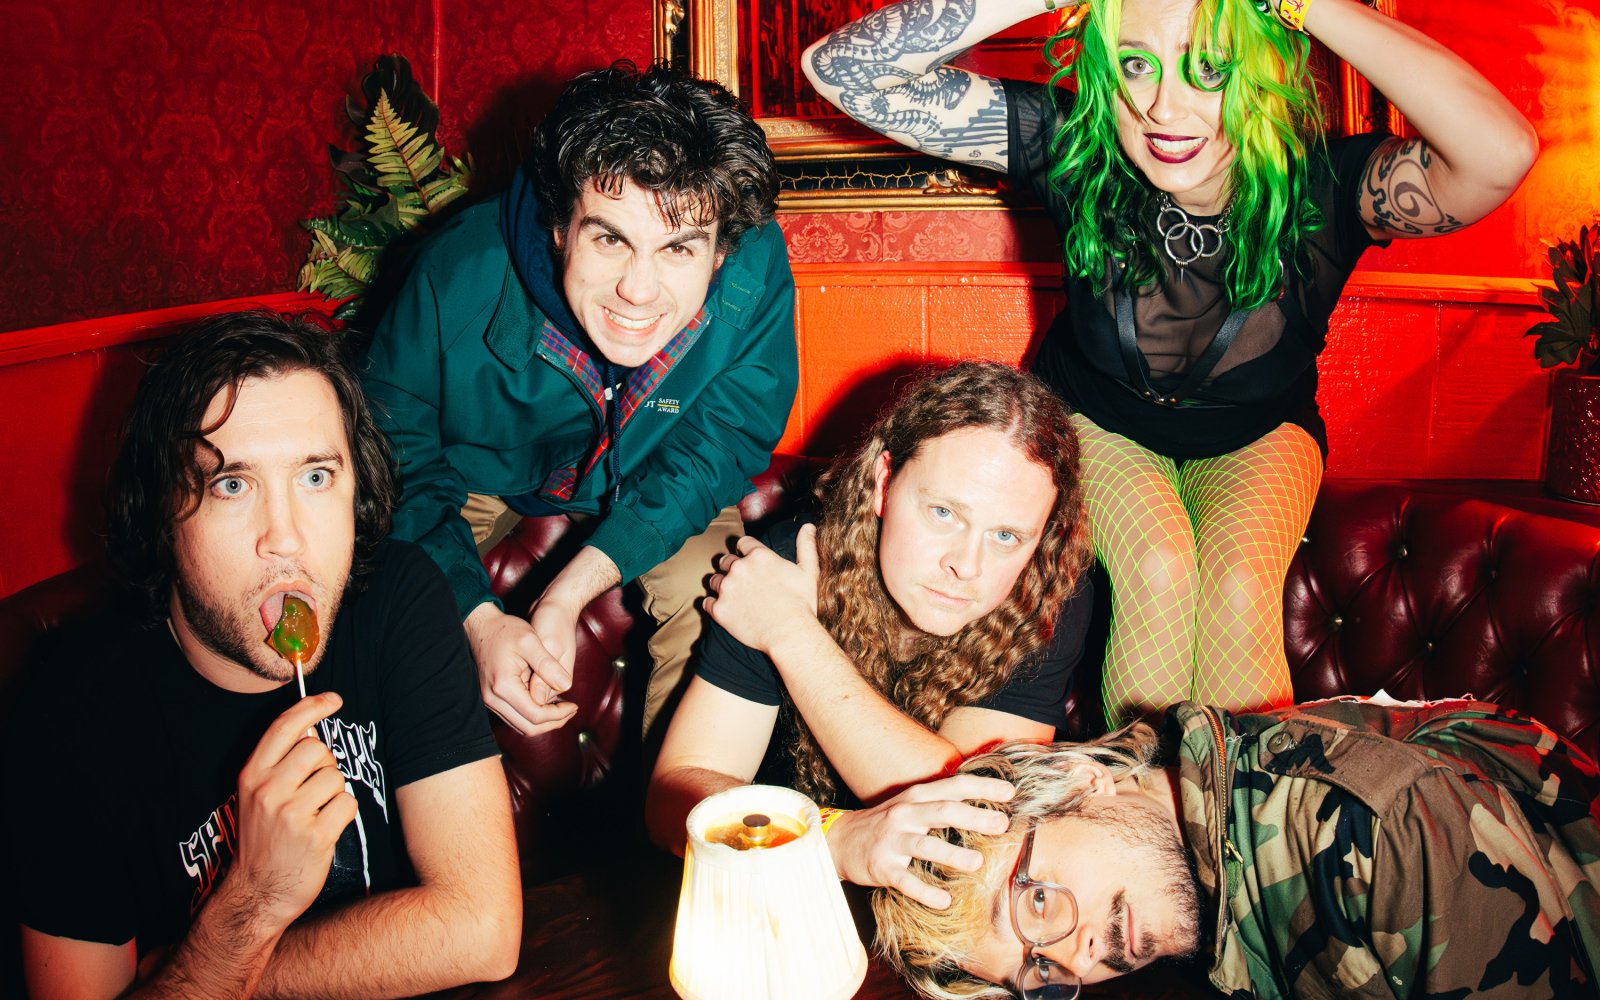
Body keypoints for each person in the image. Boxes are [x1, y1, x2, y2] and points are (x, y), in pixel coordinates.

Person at [803, 0, 1538, 725]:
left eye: (1208, 68)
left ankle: (1243, 804)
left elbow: (1501, 153)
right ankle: (1136, 801)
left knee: (1241, 582)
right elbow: (843, 71)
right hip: (1093, 418)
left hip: (1260, 431)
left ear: (1260, 72)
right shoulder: (1077, 151)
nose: (1163, 107)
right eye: (1135, 65)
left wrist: (1304, 2)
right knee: (1157, 565)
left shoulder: (1327, 186)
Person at [4, 311, 521, 998]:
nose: (286, 538)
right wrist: (254, 903)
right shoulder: (70, 713)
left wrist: (187, 971)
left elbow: (483, 929)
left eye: (316, 478)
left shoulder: (400, 599)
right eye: (232, 485)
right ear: (160, 514)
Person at [362, 61, 798, 743]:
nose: (638, 290)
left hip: (657, 471)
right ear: (561, 226)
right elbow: (398, 459)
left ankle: (685, 807)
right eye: (610, 238)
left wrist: (571, 590)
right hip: (477, 474)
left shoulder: (755, 264)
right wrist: (476, 618)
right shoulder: (455, 273)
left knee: (720, 610)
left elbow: (720, 443)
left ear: (720, 255)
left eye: (679, 249)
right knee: (390, 611)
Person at [646, 362, 1095, 855]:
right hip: (781, 880)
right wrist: (833, 840)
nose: (966, 565)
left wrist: (792, 634)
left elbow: (972, 827)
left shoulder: (1045, 594)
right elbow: (675, 798)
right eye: (943, 513)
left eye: (1006, 536)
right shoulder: (790, 566)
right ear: (884, 483)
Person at [873, 697, 1600, 999]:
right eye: (1038, 971)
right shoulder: (1215, 859)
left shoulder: (1367, 830)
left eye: (1035, 902)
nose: (1076, 958)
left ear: (1081, 782)